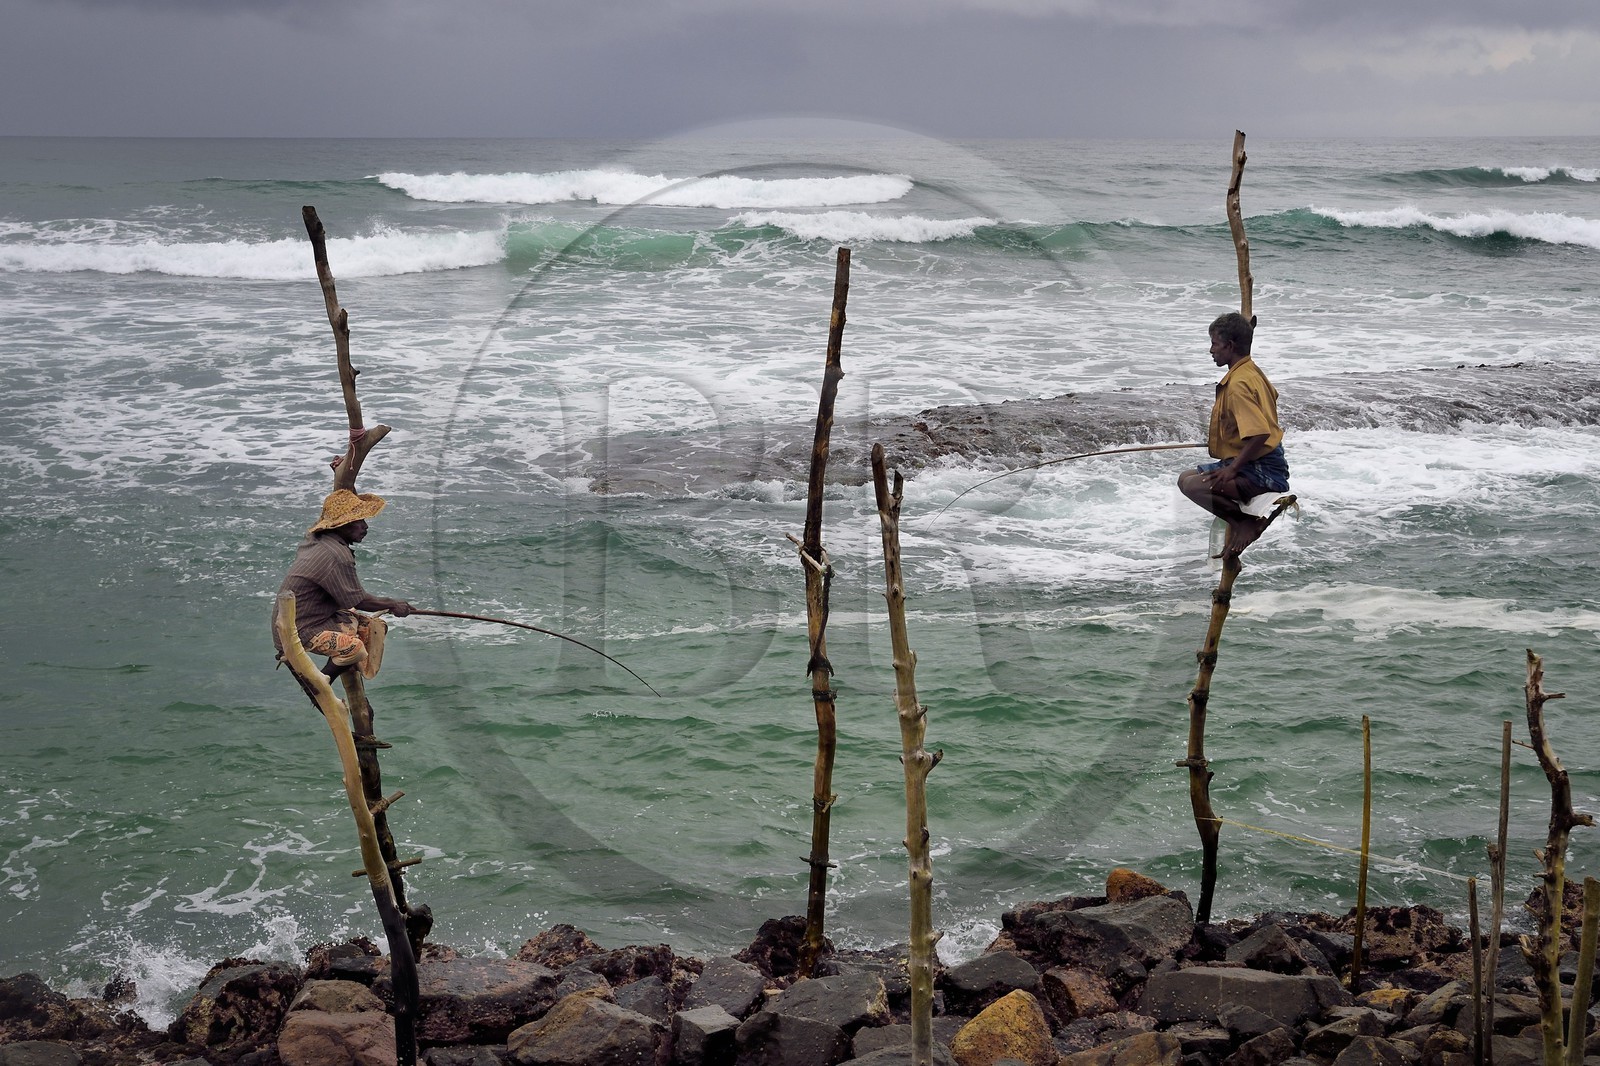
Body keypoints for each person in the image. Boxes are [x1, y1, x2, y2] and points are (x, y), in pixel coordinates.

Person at [1177, 312, 1290, 556]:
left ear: (1229, 346)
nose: (1210, 350)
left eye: (1214, 344)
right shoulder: (1250, 369)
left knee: (1194, 486)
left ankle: (1244, 523)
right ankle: (1240, 518)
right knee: (1184, 478)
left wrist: (1232, 469)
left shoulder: (1238, 384)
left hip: (1261, 468)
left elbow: (1259, 434)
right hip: (1257, 459)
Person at [272, 488, 414, 678]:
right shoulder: (337, 556)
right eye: (357, 522)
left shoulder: (316, 537)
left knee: (372, 627)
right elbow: (360, 601)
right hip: (299, 631)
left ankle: (346, 669)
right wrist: (393, 604)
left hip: (300, 619)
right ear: (340, 525)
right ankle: (320, 685)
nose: (365, 527)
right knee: (355, 648)